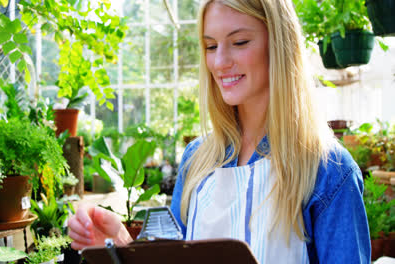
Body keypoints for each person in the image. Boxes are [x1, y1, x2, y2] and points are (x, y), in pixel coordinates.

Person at [68, 0, 371, 263]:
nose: (220, 62)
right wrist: (119, 246)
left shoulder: (328, 170)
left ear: (279, 44)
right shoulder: (198, 159)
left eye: (239, 42)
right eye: (211, 46)